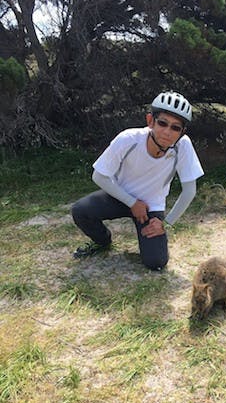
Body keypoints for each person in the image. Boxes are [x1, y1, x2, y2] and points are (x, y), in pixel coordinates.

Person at [71, 90, 204, 270]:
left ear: (182, 132)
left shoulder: (183, 146)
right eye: (162, 123)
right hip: (119, 196)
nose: (167, 132)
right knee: (80, 210)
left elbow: (189, 191)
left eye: (175, 127)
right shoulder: (129, 139)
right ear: (150, 120)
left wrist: (166, 223)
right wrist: (132, 202)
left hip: (151, 206)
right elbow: (99, 176)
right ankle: (103, 241)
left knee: (156, 262)